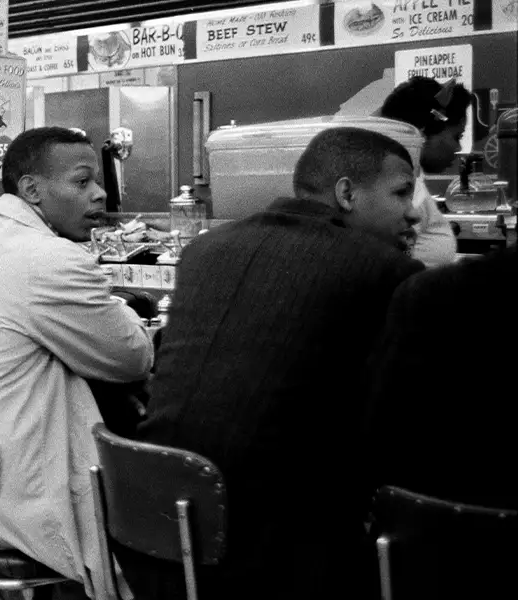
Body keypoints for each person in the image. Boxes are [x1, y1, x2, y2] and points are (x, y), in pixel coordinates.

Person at [123, 127, 425, 600]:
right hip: (277, 552)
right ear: (346, 193)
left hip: (154, 532)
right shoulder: (384, 271)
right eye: (402, 191)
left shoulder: (204, 250)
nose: (413, 211)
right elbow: (400, 416)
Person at [0, 127, 152, 600]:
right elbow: (131, 357)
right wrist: (123, 309)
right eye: (81, 182)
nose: (99, 193)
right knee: (165, 525)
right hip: (9, 501)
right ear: (32, 190)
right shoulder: (48, 258)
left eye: (97, 181)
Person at [367, 246, 516, 510]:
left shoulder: (425, 295)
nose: (412, 213)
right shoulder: (419, 289)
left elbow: (381, 445)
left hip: (436, 536)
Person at [378, 76, 471, 268]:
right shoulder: (407, 193)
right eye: (457, 136)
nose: (458, 147)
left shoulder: (406, 184)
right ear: (423, 133)